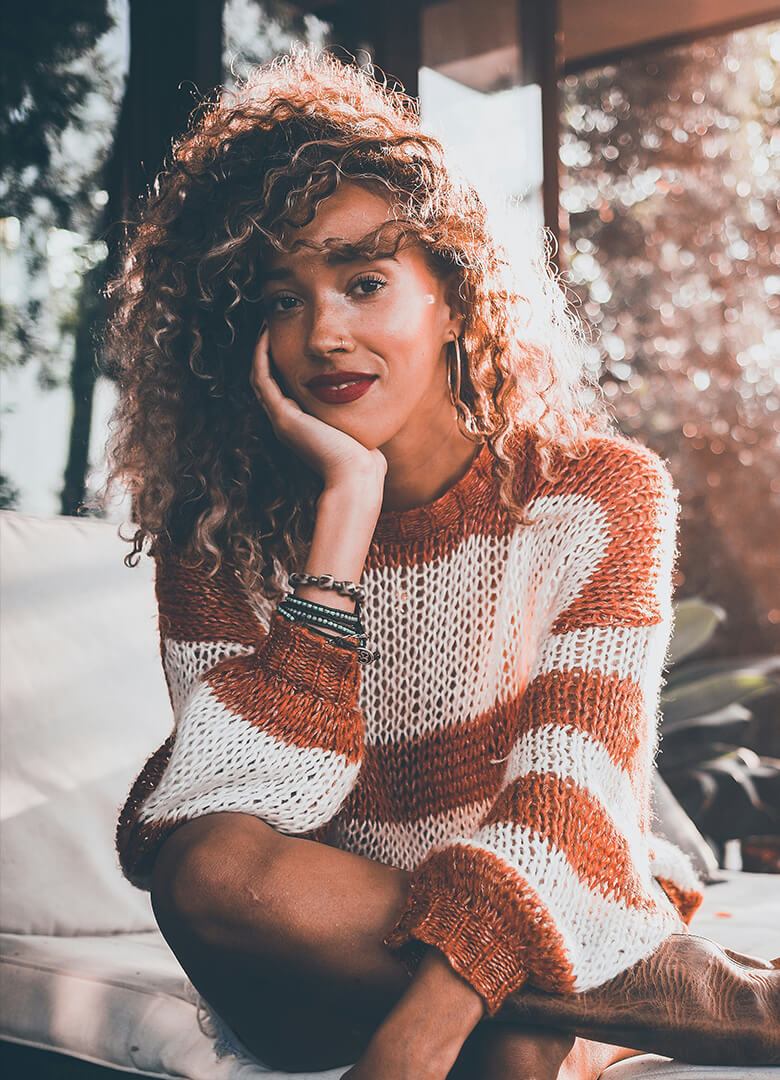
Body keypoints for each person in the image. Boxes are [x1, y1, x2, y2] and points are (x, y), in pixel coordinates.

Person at [105, 48, 779, 1080]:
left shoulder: (597, 493)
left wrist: (429, 1022)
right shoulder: (220, 535)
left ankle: (537, 995)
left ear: (454, 298)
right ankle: (709, 1000)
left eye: (365, 280)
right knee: (205, 866)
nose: (325, 332)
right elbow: (225, 817)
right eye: (279, 300)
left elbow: (570, 793)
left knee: (509, 1038)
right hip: (317, 964)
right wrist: (341, 527)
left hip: (531, 902)